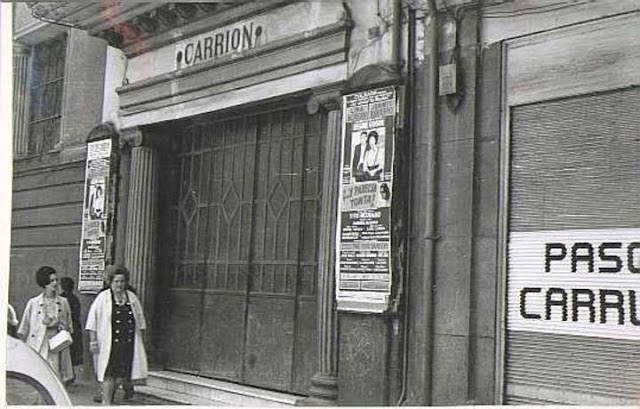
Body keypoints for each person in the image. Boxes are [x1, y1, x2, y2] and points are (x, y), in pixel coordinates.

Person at [86, 265, 148, 405]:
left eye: (122, 281)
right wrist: (93, 341)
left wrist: (142, 341)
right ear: (110, 282)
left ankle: (110, 396)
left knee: (122, 375)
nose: (120, 285)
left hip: (128, 343)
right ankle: (106, 402)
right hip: (110, 343)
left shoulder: (131, 297)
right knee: (109, 374)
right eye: (116, 281)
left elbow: (141, 320)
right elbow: (92, 321)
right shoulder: (103, 298)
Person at [17, 266, 74, 384]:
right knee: (38, 378)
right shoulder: (33, 303)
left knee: (54, 378)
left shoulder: (63, 302)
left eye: (56, 280)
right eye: (52, 281)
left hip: (56, 345)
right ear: (44, 284)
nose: (56, 283)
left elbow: (69, 326)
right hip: (38, 344)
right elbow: (24, 328)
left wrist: (59, 325)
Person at [60, 277, 84, 381]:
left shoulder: (61, 299)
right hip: (74, 329)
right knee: (72, 353)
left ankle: (67, 375)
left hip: (65, 329)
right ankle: (71, 374)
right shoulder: (74, 299)